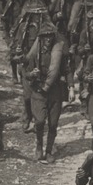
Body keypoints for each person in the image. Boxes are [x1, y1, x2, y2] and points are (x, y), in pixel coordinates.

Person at [25, 24, 66, 163]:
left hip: (55, 91)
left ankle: (48, 151)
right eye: (45, 36)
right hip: (38, 91)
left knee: (53, 123)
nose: (48, 39)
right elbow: (26, 74)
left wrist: (71, 87)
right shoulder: (34, 55)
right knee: (40, 121)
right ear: (40, 38)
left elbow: (67, 70)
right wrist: (32, 74)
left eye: (50, 36)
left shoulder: (58, 53)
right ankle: (39, 145)